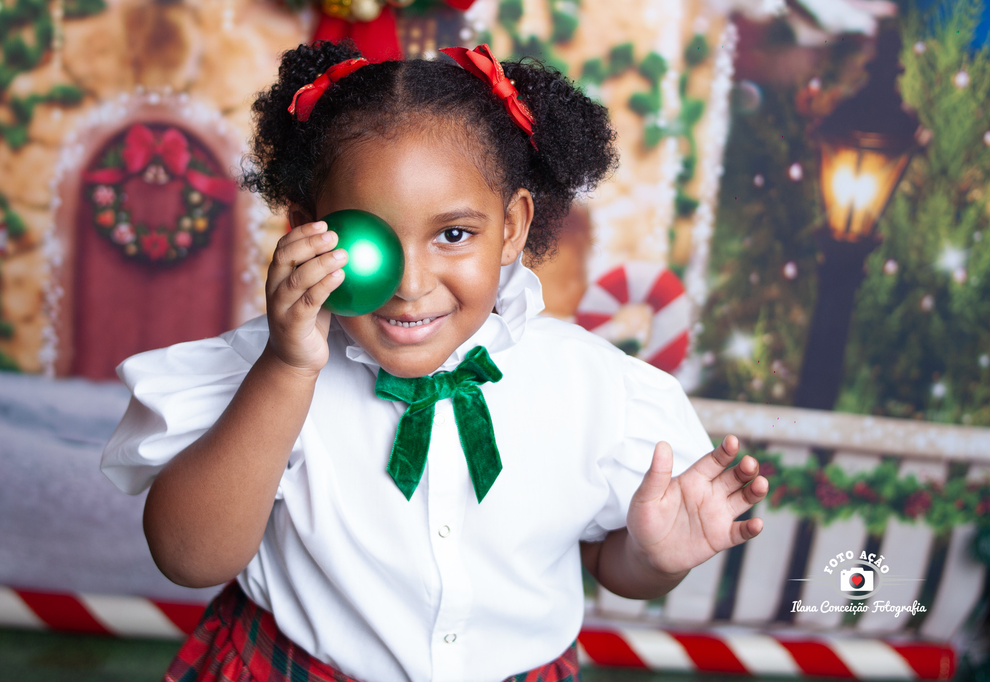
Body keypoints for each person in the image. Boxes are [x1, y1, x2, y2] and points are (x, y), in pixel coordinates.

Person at [100, 40, 768, 682]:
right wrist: (288, 368)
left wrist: (653, 559)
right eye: (371, 243)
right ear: (305, 229)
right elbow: (188, 558)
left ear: (511, 227)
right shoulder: (262, 370)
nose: (411, 283)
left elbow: (607, 561)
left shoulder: (599, 391)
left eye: (453, 234)